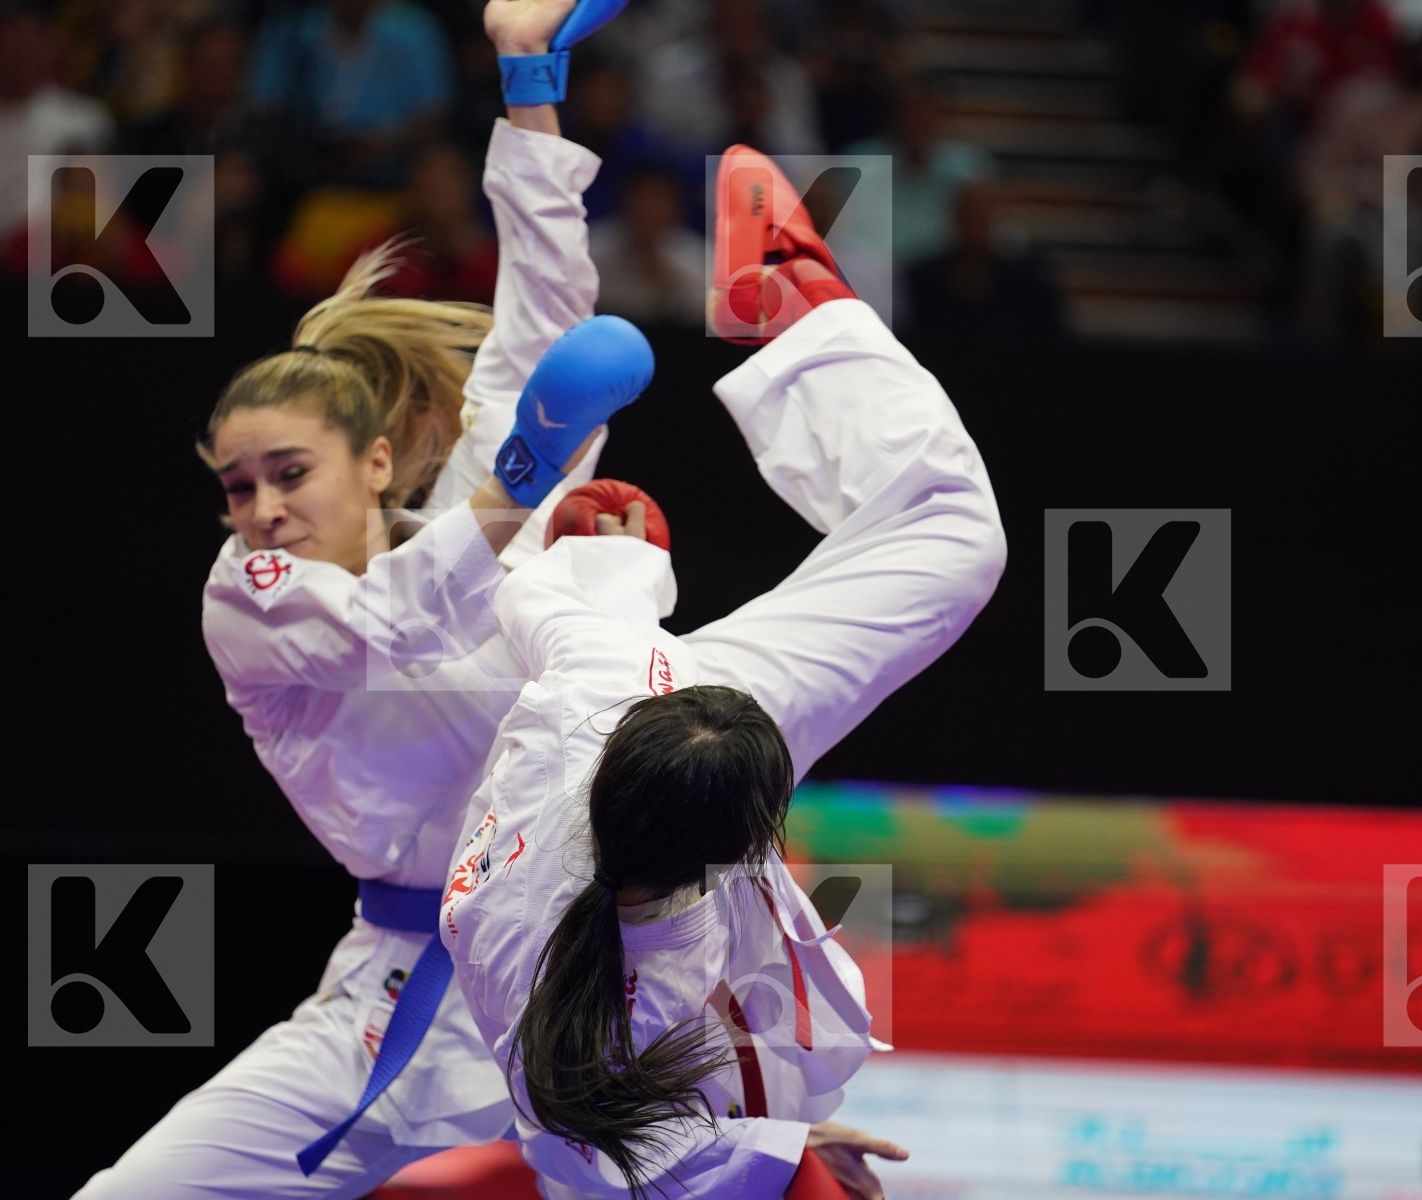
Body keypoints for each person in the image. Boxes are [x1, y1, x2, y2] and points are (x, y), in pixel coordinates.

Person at [74, 1, 639, 1196]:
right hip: (396, 989)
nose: (262, 507)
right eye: (237, 487)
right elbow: (393, 622)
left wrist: (527, 74)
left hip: (581, 976)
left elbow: (544, 311)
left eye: (289, 474)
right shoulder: (251, 597)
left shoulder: (473, 530)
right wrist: (517, 491)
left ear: (376, 463)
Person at [441, 145, 1007, 1199]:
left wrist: (592, 549)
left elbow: (662, 1161)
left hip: (634, 1096)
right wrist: (600, 554)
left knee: (951, 534)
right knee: (950, 539)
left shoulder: (624, 1011)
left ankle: (787, 316)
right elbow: (539, 610)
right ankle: (796, 314)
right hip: (648, 728)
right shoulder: (601, 727)